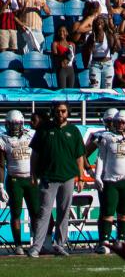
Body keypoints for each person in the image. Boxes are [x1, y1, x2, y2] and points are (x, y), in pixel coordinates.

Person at [28, 103, 87, 257]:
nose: (60, 114)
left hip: (67, 177)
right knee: (43, 212)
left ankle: (59, 244)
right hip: (48, 176)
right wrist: (33, 174)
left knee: (64, 212)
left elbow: (79, 156)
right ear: (53, 112)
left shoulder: (73, 131)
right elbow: (35, 154)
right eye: (57, 111)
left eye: (63, 111)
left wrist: (80, 177)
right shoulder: (44, 129)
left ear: (68, 113)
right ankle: (37, 246)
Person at [87, 110, 125, 252]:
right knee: (108, 212)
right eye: (118, 122)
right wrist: (98, 176)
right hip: (110, 179)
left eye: (123, 122)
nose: (120, 125)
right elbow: (101, 158)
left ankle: (121, 241)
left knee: (124, 213)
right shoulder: (106, 137)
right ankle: (104, 242)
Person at [0, 110, 39, 254]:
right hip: (14, 179)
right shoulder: (3, 139)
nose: (15, 127)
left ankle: (37, 242)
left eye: (17, 124)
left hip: (31, 178)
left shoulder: (31, 135)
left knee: (35, 212)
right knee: (15, 213)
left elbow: (39, 156)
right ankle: (18, 245)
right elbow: (1, 164)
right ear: (7, 124)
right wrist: (0, 186)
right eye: (12, 124)